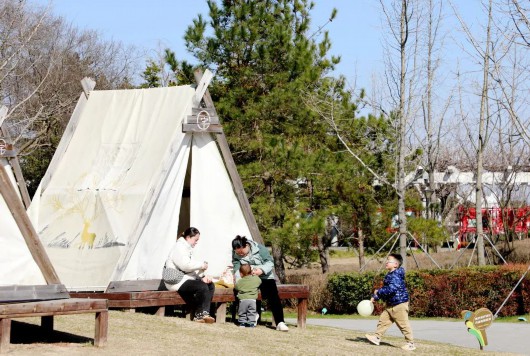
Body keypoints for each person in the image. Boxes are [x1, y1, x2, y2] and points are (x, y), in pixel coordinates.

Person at [231, 235, 289, 331]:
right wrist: (238, 279)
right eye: (238, 253)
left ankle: (280, 322)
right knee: (242, 291)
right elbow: (236, 266)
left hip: (265, 276)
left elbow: (270, 262)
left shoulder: (260, 249)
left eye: (241, 252)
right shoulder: (236, 253)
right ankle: (247, 318)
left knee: (273, 294)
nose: (240, 254)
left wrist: (261, 270)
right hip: (248, 277)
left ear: (246, 245)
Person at [365, 253, 416, 351]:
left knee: (403, 325)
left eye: (389, 261)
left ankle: (410, 343)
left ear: (396, 264)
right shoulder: (390, 275)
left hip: (399, 304)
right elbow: (386, 290)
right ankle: (377, 337)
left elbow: (391, 289)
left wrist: (378, 292)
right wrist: (376, 296)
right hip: (391, 304)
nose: (387, 262)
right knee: (383, 321)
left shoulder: (396, 275)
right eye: (387, 260)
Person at [164, 227, 215, 323]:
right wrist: (201, 265)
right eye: (195, 240)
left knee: (210, 285)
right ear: (188, 237)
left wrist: (203, 277)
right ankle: (199, 315)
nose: (196, 242)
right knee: (201, 286)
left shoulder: (187, 248)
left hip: (184, 279)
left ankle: (204, 312)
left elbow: (191, 268)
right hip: (176, 281)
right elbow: (185, 266)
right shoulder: (179, 247)